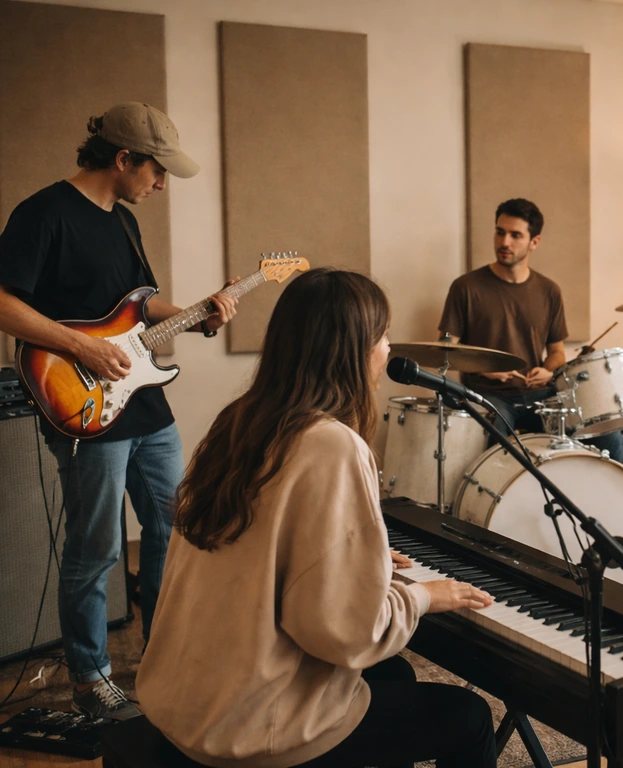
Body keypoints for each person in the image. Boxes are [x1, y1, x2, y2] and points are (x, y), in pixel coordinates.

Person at [136, 268, 497, 767]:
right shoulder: (331, 444)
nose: (389, 349)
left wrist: (357, 565)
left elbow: (264, 548)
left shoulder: (238, 421)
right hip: (251, 726)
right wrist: (420, 596)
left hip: (186, 703)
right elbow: (342, 634)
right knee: (469, 716)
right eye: (383, 335)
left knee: (395, 678)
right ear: (352, 349)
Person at [0, 102, 238, 718]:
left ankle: (165, 650)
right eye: (157, 171)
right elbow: (2, 303)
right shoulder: (43, 214)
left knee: (176, 528)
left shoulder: (125, 223)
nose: (161, 184)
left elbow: (141, 308)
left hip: (146, 406)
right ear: (124, 158)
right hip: (80, 404)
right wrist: (79, 345)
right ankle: (90, 675)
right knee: (97, 547)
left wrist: (202, 313)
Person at [439, 197, 623, 461]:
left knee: (609, 436)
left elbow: (558, 353)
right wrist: (485, 368)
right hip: (488, 396)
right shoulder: (466, 287)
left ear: (534, 242)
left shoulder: (549, 291)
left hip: (539, 396)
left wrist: (548, 369)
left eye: (516, 235)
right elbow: (445, 350)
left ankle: (597, 501)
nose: (504, 242)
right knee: (495, 449)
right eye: (500, 232)